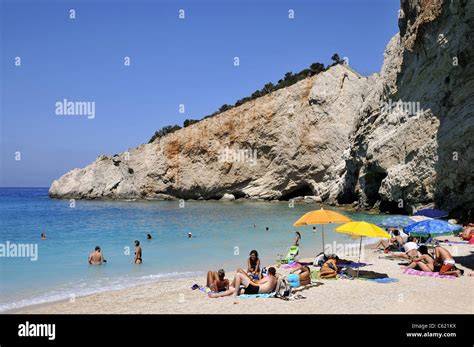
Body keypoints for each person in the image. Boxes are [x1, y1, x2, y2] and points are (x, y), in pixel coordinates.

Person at [209, 267, 277, 298]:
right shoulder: (275, 280)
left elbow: (258, 282)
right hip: (256, 292)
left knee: (238, 274)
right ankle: (216, 295)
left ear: (269, 273)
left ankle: (235, 294)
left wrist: (251, 280)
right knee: (234, 290)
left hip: (255, 288)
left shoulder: (268, 277)